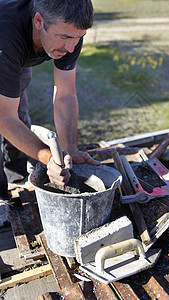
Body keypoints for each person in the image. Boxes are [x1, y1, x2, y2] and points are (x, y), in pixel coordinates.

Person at [0, 0, 100, 221]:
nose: (71, 48)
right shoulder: (6, 35)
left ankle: (15, 176)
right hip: (4, 44)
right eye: (64, 37)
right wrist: (48, 158)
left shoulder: (70, 31)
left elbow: (64, 94)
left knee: (18, 112)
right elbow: (3, 117)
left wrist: (70, 149)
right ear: (38, 21)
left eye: (78, 38)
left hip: (16, 53)